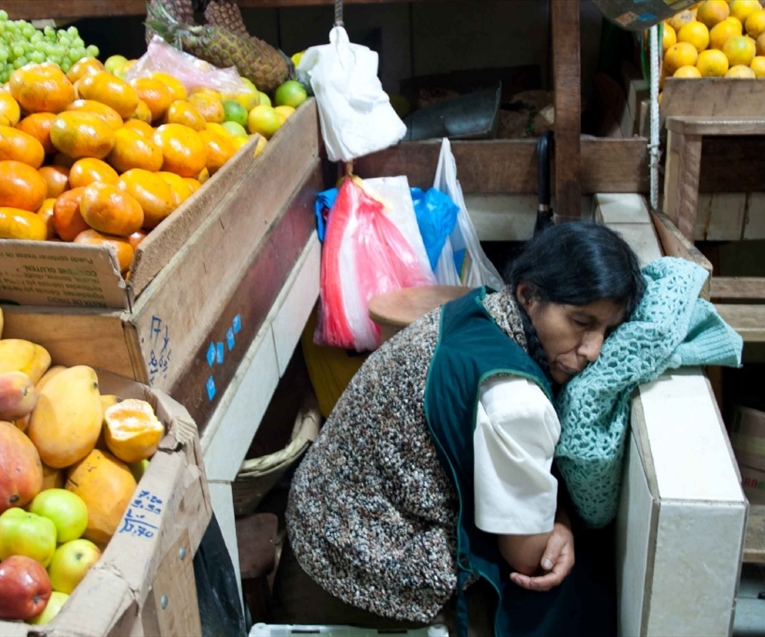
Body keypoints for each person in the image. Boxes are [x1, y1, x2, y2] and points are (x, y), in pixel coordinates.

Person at [273, 222, 646, 636]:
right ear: (528, 294)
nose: (593, 351)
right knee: (566, 596)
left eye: (607, 331)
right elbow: (529, 557)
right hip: (352, 560)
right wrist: (560, 521)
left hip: (318, 512)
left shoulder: (482, 308)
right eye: (580, 321)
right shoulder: (516, 401)